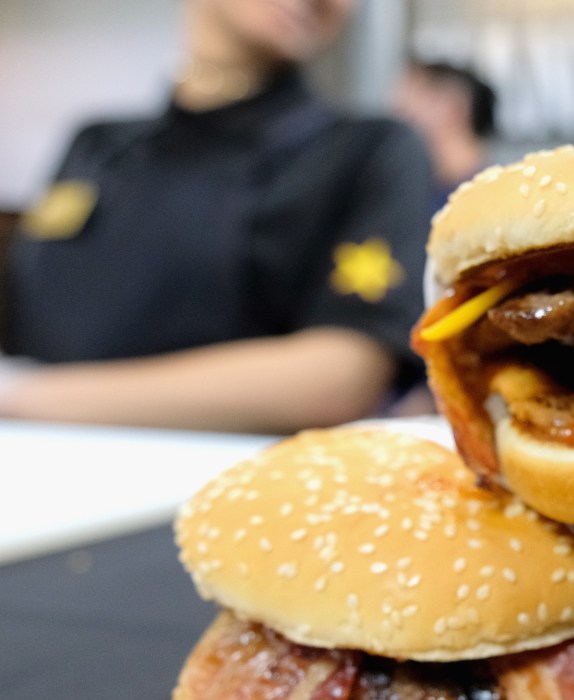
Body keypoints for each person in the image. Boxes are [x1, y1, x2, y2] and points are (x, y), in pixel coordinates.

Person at [0, 0, 433, 434]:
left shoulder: (366, 151)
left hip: (223, 484)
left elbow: (342, 377)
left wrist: (28, 398)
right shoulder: (97, 146)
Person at [392, 59, 497, 212]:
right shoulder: (417, 193)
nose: (398, 134)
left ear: (452, 110)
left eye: (406, 114)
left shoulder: (492, 202)